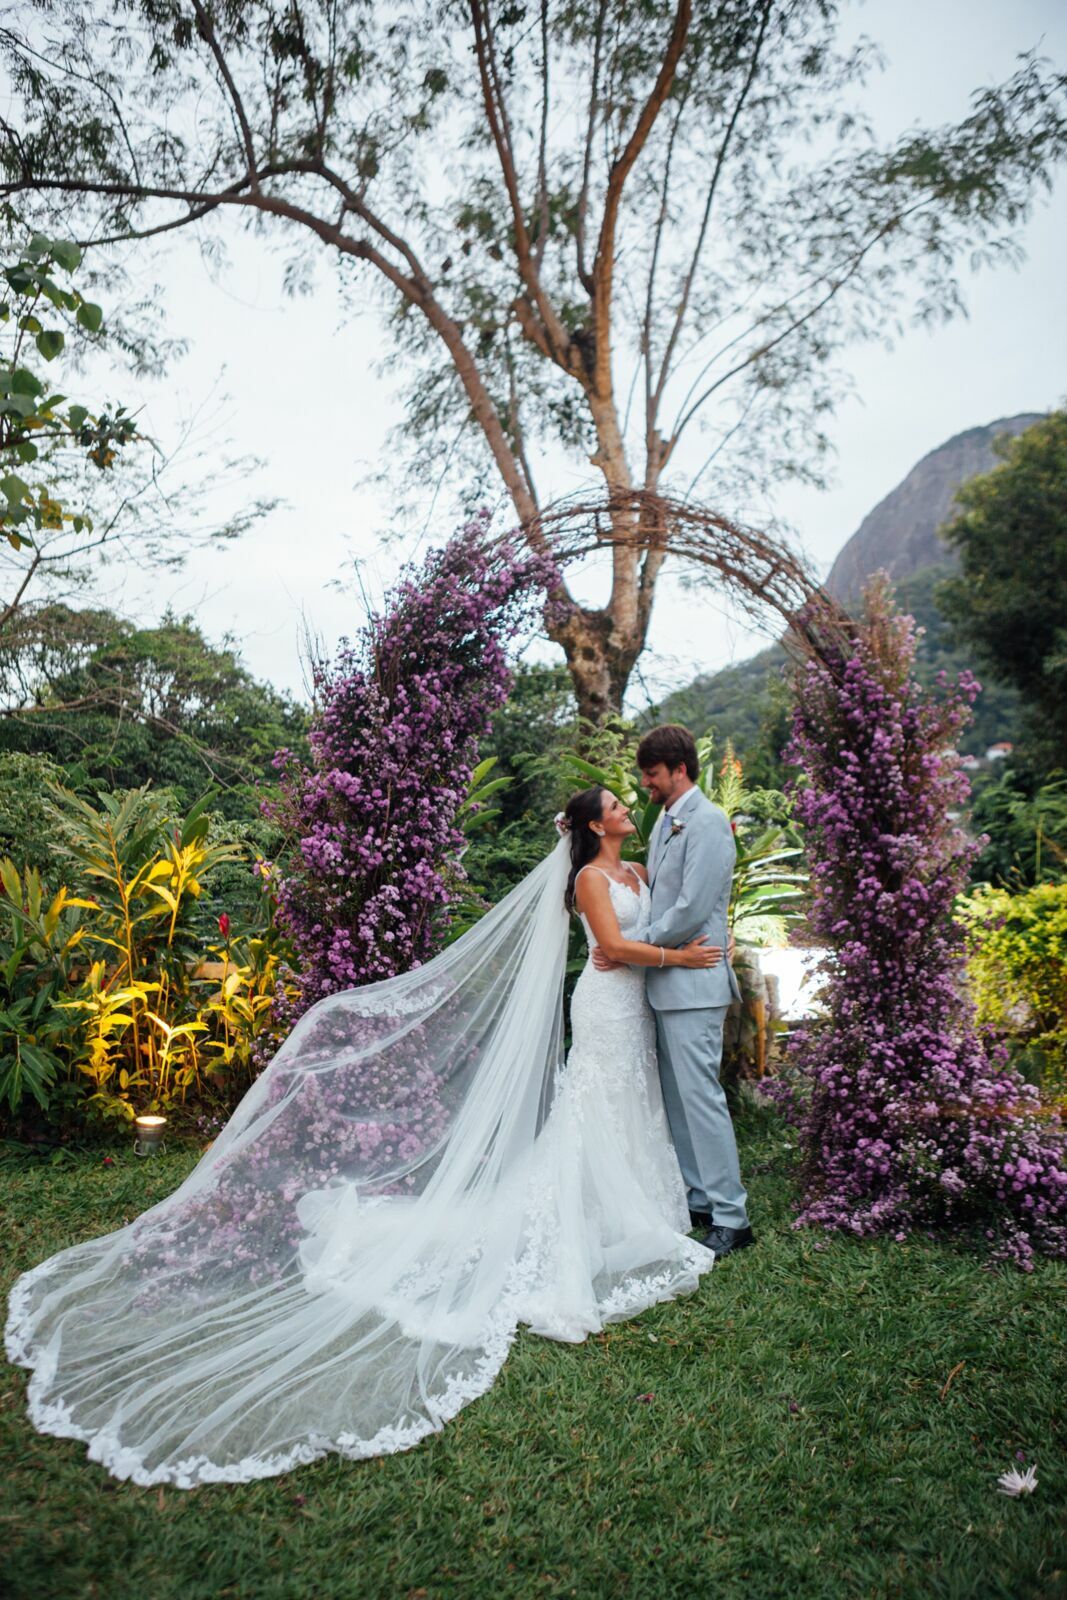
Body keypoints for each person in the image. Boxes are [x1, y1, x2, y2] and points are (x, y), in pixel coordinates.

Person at [5, 786, 722, 1489]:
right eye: (618, 806)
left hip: (637, 1009)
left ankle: (631, 1205)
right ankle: (579, 1216)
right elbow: (615, 945)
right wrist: (681, 960)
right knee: (592, 1108)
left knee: (631, 1106)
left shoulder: (637, 867)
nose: (630, 808)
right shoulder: (593, 878)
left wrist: (684, 924)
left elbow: (672, 906)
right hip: (607, 1006)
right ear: (596, 826)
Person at [592, 725, 754, 1257]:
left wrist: (625, 944)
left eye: (652, 773)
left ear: (679, 769)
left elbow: (687, 910)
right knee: (680, 1104)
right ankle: (701, 1200)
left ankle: (733, 1217)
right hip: (664, 985)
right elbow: (661, 894)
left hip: (695, 984)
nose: (645, 784)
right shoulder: (667, 820)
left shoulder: (707, 822)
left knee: (703, 1100)